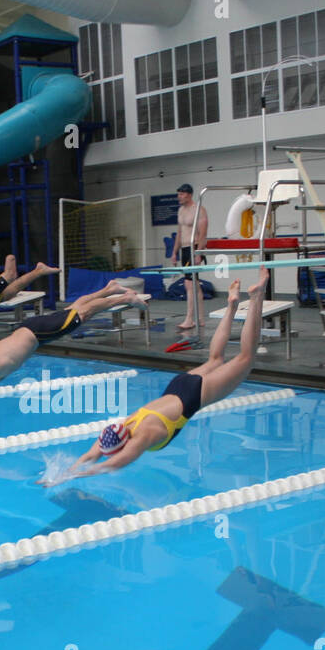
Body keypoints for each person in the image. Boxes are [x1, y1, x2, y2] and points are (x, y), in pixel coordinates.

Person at [55, 270, 267, 482]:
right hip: (176, 387)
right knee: (215, 360)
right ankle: (231, 304)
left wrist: (78, 474)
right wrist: (64, 473)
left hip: (191, 395)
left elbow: (117, 462)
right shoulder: (124, 425)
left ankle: (256, 297)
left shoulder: (144, 436)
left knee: (246, 359)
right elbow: (93, 454)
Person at [0, 281, 148, 427]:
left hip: (38, 333)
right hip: (29, 328)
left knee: (85, 313)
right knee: (73, 311)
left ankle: (125, 298)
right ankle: (109, 289)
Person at [172, 183, 209, 331]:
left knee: (189, 283)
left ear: (189, 194)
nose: (179, 197)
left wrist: (199, 252)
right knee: (194, 283)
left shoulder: (199, 210)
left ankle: (189, 319)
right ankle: (200, 318)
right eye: (178, 194)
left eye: (181, 194)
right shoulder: (181, 210)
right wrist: (174, 252)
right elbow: (180, 233)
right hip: (185, 249)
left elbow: (203, 234)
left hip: (194, 248)